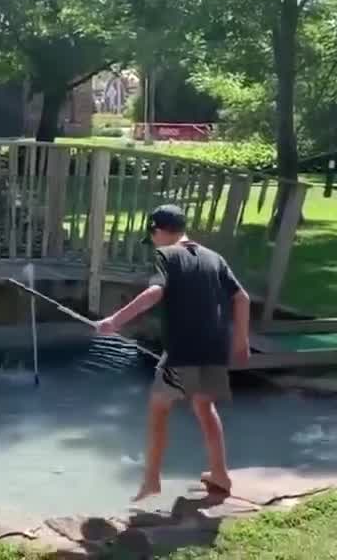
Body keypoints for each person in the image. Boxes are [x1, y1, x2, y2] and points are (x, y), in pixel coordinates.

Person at [94, 204, 251, 502]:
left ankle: (152, 480)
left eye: (152, 235)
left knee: (158, 409)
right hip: (215, 346)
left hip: (184, 349)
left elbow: (155, 292)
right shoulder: (213, 257)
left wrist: (114, 321)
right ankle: (220, 474)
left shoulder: (167, 256)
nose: (153, 241)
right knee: (204, 407)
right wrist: (240, 341)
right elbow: (241, 298)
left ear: (160, 231)